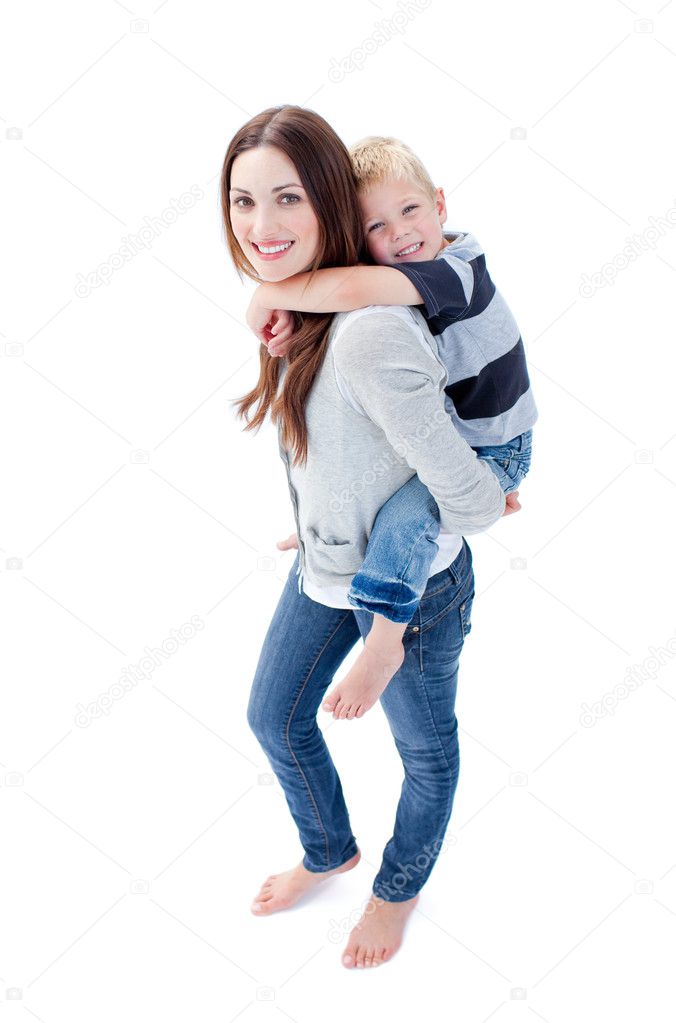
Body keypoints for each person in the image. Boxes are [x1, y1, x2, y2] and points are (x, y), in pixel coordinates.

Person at [222, 105, 517, 970]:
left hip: (415, 587)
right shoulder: (308, 307)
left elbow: (464, 500)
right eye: (243, 201)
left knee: (425, 755)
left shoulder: (375, 326)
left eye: (287, 198)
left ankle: (397, 889)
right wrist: (323, 513)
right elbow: (350, 441)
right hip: (327, 562)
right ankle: (329, 850)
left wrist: (494, 489)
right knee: (275, 716)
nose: (262, 225)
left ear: (327, 206)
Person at [245, 135, 536, 720]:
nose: (400, 233)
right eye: (376, 226)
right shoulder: (398, 290)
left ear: (441, 204)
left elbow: (351, 287)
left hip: (496, 442)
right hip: (462, 436)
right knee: (407, 503)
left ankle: (383, 644)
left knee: (408, 518)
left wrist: (268, 289)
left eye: (410, 210)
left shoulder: (457, 270)